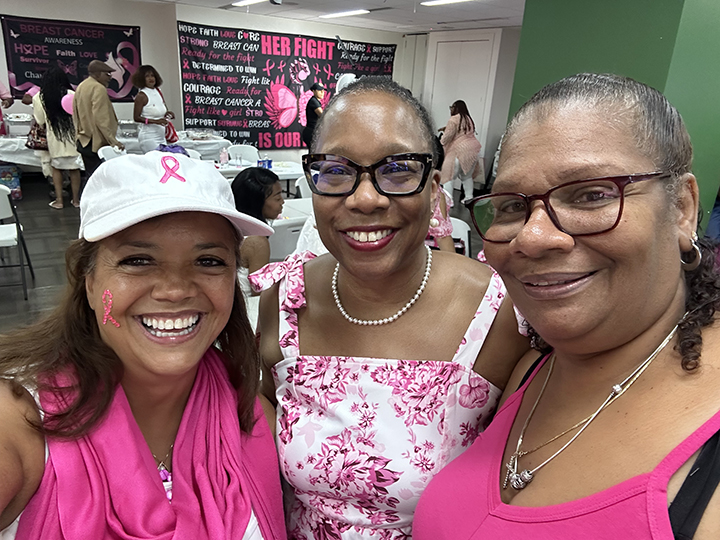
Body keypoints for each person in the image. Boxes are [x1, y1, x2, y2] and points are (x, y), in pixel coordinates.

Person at [413, 73, 720, 539]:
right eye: (512, 206)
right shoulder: (532, 368)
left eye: (592, 194)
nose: (533, 237)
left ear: (681, 208)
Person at [251, 76, 529, 539]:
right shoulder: (284, 300)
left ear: (434, 188)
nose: (365, 198)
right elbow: (258, 420)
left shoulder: (498, 312)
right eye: (335, 170)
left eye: (398, 169)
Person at [0, 152, 286, 539]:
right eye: (138, 260)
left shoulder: (251, 417)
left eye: (208, 261)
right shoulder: (17, 421)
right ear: (88, 280)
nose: (175, 290)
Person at [231, 167, 284, 330]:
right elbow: (260, 293)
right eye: (277, 197)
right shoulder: (256, 242)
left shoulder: (230, 228)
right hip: (246, 314)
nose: (283, 201)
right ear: (258, 202)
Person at [33, 65, 83, 209]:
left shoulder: (39, 98)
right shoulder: (72, 94)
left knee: (56, 169)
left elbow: (40, 121)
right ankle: (76, 200)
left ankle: (59, 201)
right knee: (74, 169)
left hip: (55, 139)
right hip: (73, 139)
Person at [73, 59, 125, 178]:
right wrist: (113, 141)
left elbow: (75, 114)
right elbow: (101, 119)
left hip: (84, 140)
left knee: (90, 176)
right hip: (96, 143)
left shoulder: (81, 86)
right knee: (101, 178)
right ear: (97, 74)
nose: (110, 77)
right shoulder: (98, 88)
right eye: (107, 74)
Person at [438, 100, 483, 203]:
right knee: (467, 177)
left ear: (455, 108)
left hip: (458, 151)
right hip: (473, 150)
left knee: (448, 176)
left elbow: (447, 137)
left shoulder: (454, 119)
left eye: (452, 107)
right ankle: (469, 198)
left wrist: (440, 142)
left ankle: (449, 201)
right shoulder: (468, 119)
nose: (451, 110)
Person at [132, 65, 174, 153]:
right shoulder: (141, 95)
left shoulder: (158, 91)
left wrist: (168, 113)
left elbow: (161, 109)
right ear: (141, 79)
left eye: (152, 75)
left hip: (162, 136)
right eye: (147, 76)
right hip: (149, 137)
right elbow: (136, 118)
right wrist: (156, 121)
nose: (150, 78)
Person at [301, 82, 325, 148]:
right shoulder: (314, 101)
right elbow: (322, 115)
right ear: (313, 91)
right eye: (319, 90)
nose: (322, 92)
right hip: (311, 132)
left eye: (323, 90)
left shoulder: (315, 101)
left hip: (314, 132)